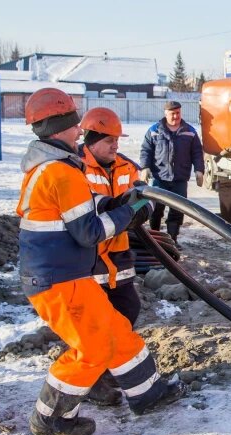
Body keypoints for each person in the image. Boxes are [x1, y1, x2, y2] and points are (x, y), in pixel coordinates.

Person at [18, 88, 187, 435]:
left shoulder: (57, 168)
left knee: (116, 332)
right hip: (57, 280)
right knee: (92, 349)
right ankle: (49, 417)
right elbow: (88, 232)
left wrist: (118, 202)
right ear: (59, 126)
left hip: (68, 275)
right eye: (73, 124)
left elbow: (86, 205)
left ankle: (148, 394)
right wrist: (129, 213)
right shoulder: (58, 171)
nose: (80, 131)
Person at [78, 107, 153, 406]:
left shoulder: (126, 167)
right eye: (109, 140)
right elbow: (81, 209)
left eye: (117, 141)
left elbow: (145, 201)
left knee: (128, 310)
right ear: (92, 140)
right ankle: (93, 380)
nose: (115, 146)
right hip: (89, 259)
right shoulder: (75, 167)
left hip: (119, 257)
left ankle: (107, 369)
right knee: (93, 325)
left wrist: (136, 210)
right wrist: (121, 208)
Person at [138, 101, 204, 246]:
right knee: (156, 210)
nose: (176, 116)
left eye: (178, 113)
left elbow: (197, 153)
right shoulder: (154, 130)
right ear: (165, 114)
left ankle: (172, 239)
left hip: (179, 179)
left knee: (177, 211)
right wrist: (144, 168)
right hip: (159, 178)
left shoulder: (190, 132)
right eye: (172, 114)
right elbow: (146, 151)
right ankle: (155, 239)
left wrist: (199, 170)